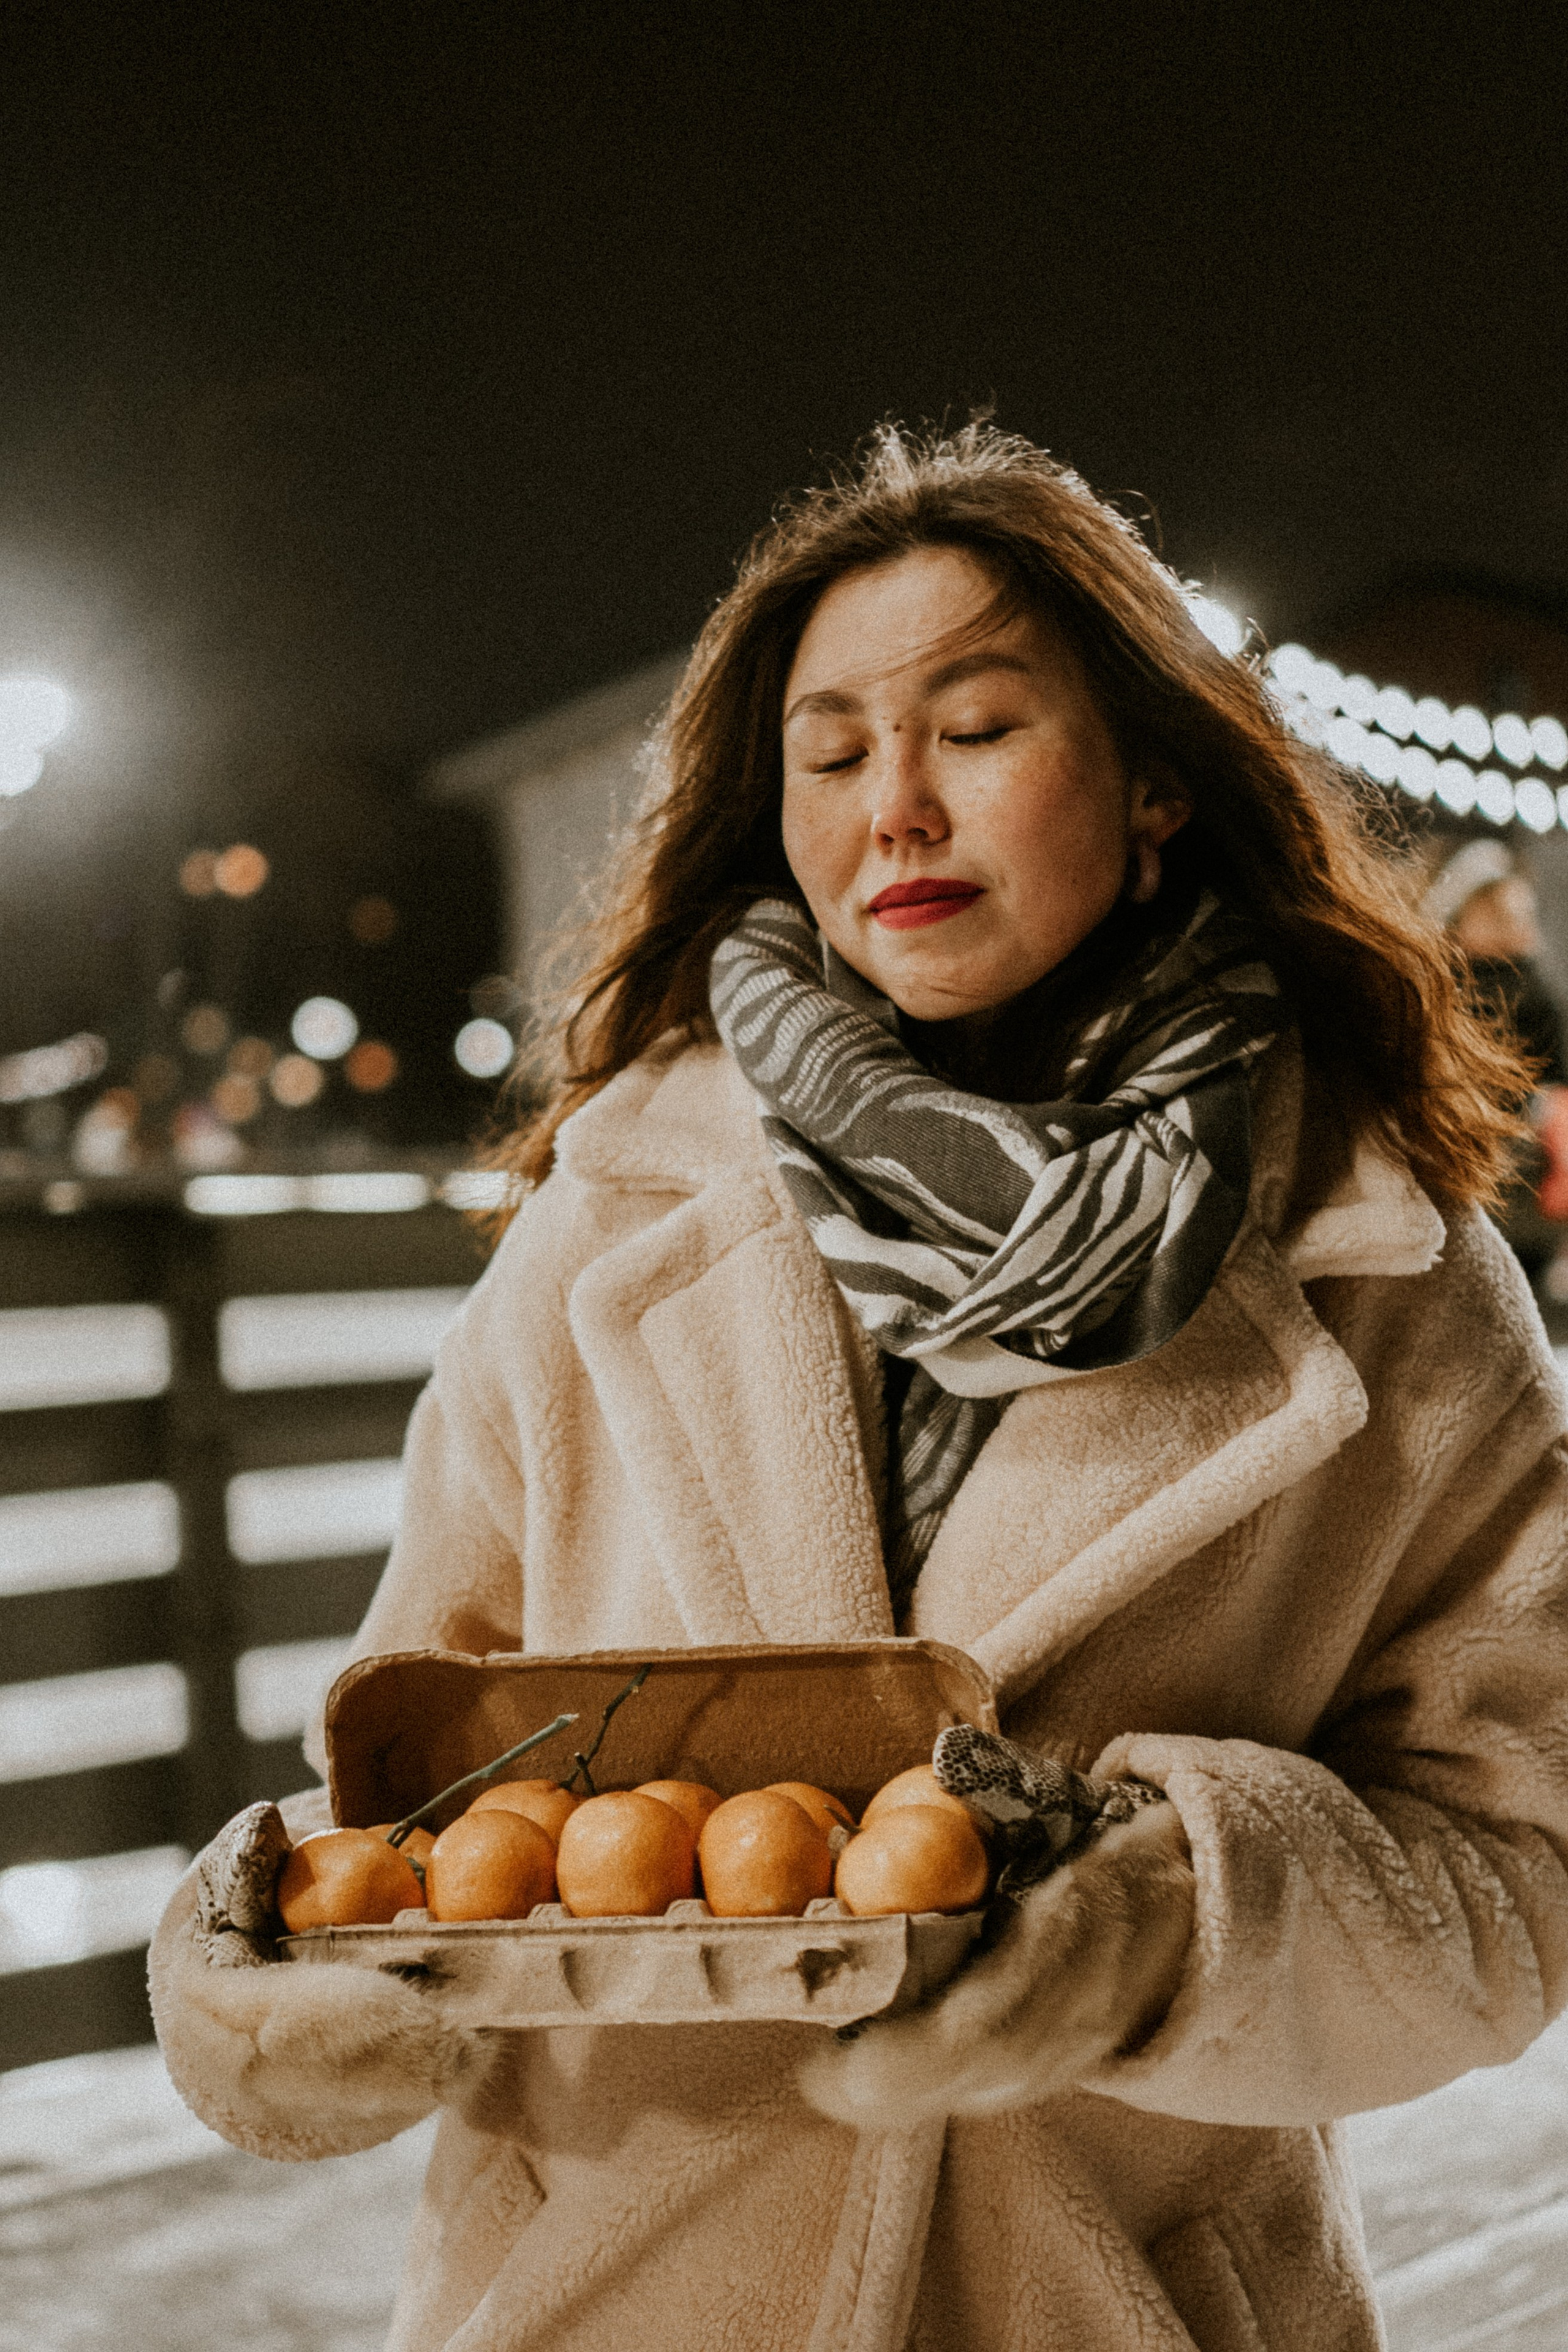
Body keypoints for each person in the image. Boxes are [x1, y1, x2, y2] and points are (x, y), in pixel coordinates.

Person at [151, 423, 1568, 2352]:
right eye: (828, 756)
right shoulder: (609, 1219)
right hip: (614, 2295)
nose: (894, 806)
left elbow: (1514, 1869)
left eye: (973, 729)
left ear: (1156, 782)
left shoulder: (1382, 1264)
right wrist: (266, 1961)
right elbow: (424, 1771)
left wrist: (1170, 1923)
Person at [1422, 835, 1568, 1278]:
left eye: (1519, 914)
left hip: (1523, 1141)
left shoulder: (1536, 989)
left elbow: (1553, 1073)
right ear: (1460, 917)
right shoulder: (1438, 985)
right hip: (1456, 1131)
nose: (1512, 925)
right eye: (1496, 914)